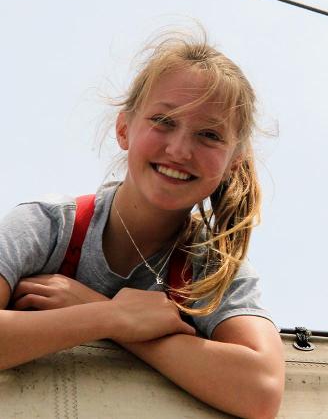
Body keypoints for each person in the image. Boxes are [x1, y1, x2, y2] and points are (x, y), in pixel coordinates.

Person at [0, 34, 284, 418]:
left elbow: (261, 390)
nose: (180, 150)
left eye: (210, 135)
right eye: (163, 121)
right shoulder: (46, 227)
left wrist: (103, 312)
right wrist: (111, 317)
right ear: (123, 130)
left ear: (233, 162)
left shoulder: (213, 270)